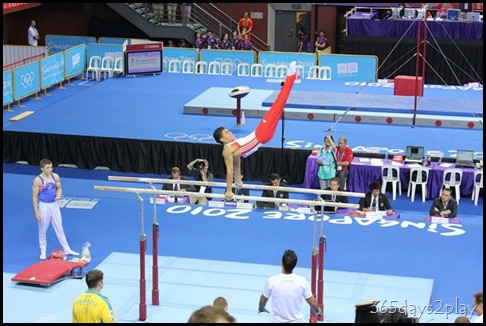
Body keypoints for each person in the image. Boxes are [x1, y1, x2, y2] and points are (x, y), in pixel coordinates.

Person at [213, 61, 298, 199]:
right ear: (222, 139)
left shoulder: (231, 149)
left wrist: (238, 180)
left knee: (281, 103)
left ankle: (291, 78)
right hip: (261, 134)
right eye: (227, 133)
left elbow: (236, 164)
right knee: (279, 102)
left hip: (263, 136)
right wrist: (229, 190)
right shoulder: (227, 150)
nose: (231, 132)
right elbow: (229, 171)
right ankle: (291, 76)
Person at [258, 249, 322, 323]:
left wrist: (261, 308)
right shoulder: (302, 281)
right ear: (296, 265)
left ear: (281, 263)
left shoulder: (272, 281)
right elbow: (313, 303)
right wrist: (318, 310)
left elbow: (262, 300)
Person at [32, 158, 79, 260]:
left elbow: (59, 188)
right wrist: (36, 211)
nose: (50, 169)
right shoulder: (38, 180)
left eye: (51, 167)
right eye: (47, 168)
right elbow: (34, 196)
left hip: (54, 205)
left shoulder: (55, 176)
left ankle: (67, 249)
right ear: (42, 169)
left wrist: (58, 195)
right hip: (44, 206)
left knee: (59, 227)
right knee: (43, 229)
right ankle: (43, 251)